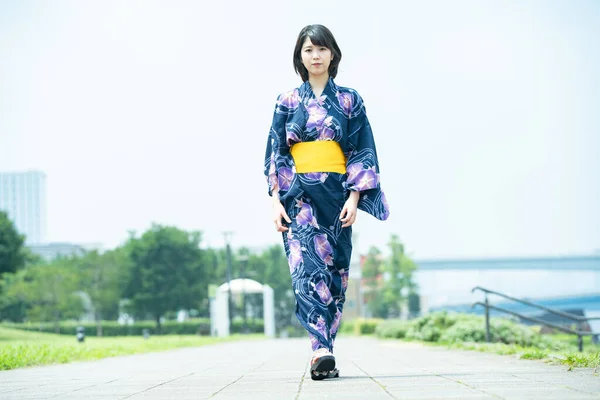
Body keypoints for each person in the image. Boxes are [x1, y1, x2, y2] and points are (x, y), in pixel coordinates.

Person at [263, 24, 390, 380]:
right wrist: (276, 201)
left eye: (321, 49)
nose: (315, 56)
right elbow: (275, 153)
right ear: (299, 57)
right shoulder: (286, 101)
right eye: (308, 50)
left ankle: (325, 350)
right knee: (306, 269)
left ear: (332, 54)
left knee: (336, 274)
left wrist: (354, 196)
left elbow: (362, 149)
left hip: (337, 196)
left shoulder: (350, 100)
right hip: (298, 195)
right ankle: (319, 347)